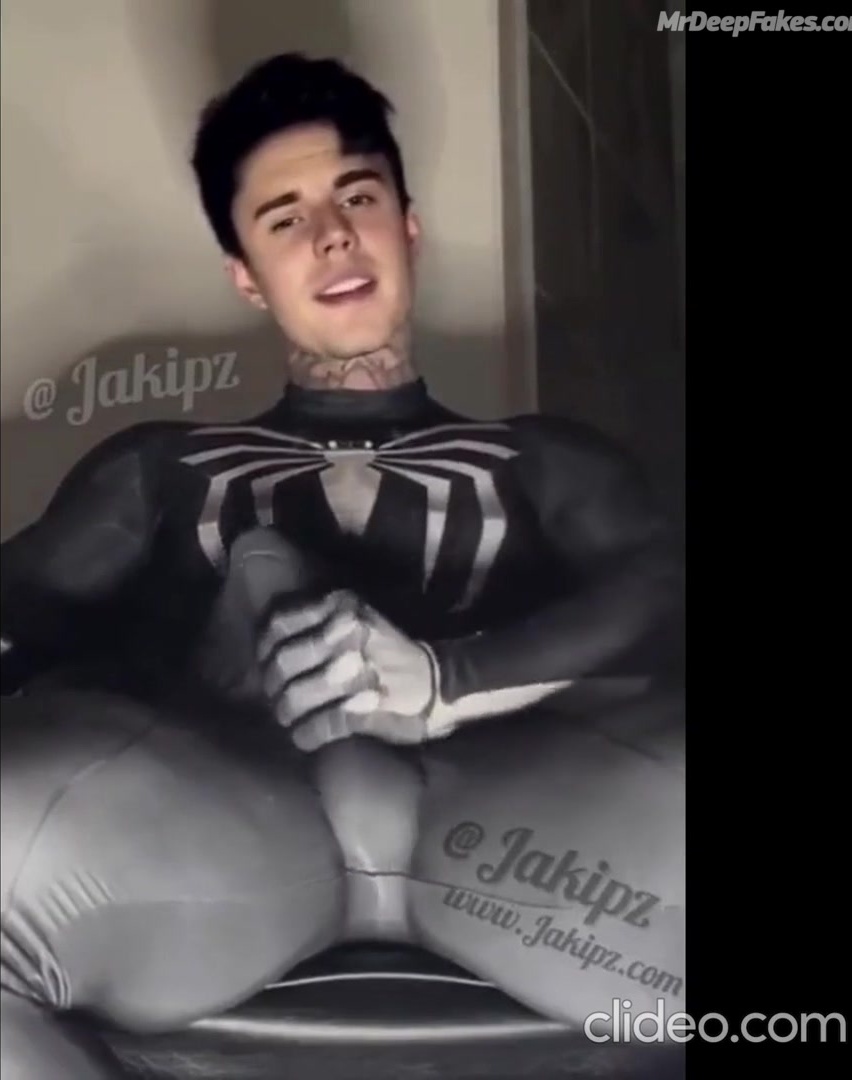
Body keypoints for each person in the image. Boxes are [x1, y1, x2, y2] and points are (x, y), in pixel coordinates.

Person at [0, 54, 685, 1078]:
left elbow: (663, 590)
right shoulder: (158, 466)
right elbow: (19, 605)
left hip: (509, 828)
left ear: (407, 226)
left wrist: (449, 681)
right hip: (227, 826)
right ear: (245, 273)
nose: (331, 235)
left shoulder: (543, 457)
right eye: (284, 219)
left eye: (357, 198)